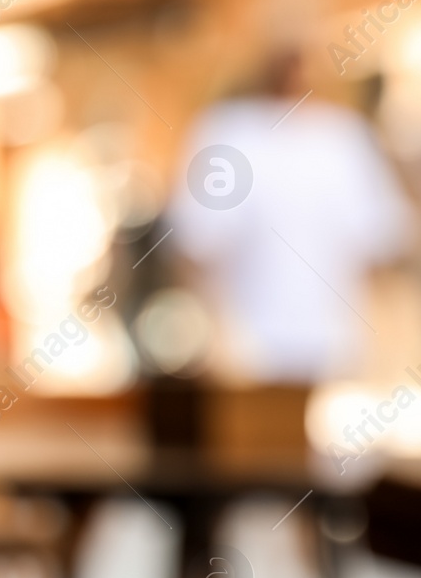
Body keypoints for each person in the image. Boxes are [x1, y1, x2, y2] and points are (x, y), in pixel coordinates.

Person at [167, 49, 413, 383]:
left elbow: (383, 238)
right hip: (247, 352)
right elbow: (194, 241)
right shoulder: (228, 133)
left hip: (332, 349)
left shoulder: (342, 138)